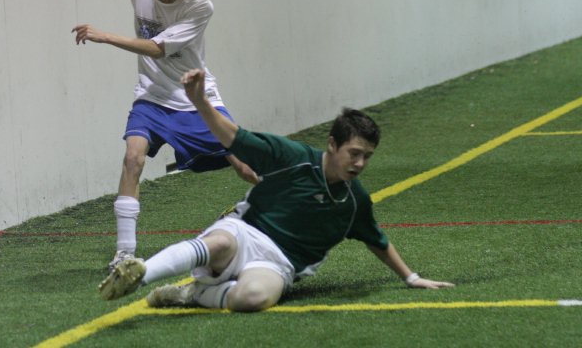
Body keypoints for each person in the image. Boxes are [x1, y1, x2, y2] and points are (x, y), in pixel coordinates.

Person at [98, 69, 455, 310]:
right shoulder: (293, 157)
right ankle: (141, 270)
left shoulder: (354, 199)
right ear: (332, 145)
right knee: (218, 243)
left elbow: (377, 240)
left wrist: (412, 278)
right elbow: (233, 137)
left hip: (279, 264)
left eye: (367, 157)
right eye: (354, 153)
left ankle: (191, 293)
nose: (360, 164)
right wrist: (202, 103)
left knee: (252, 299)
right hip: (245, 232)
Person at [72, 0, 258, 271]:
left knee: (245, 166)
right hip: (151, 96)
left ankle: (287, 204)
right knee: (132, 159)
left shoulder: (200, 7)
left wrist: (106, 36)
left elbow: (158, 48)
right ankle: (125, 254)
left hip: (195, 96)